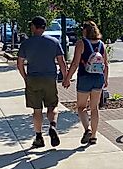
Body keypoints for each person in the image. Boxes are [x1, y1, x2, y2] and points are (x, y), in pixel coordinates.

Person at [17, 16, 69, 148]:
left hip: (33, 78)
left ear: (34, 27)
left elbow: (20, 63)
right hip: (49, 78)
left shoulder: (26, 44)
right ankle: (52, 125)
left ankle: (39, 137)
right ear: (44, 27)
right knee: (52, 105)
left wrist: (25, 77)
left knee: (37, 110)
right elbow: (61, 62)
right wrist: (65, 77)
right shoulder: (54, 42)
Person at [65, 21, 109, 145]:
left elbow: (75, 63)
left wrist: (67, 78)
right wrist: (106, 79)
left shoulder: (81, 44)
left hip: (84, 77)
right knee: (94, 108)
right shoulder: (101, 44)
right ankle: (94, 136)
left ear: (85, 30)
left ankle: (87, 129)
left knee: (81, 107)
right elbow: (105, 64)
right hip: (98, 78)